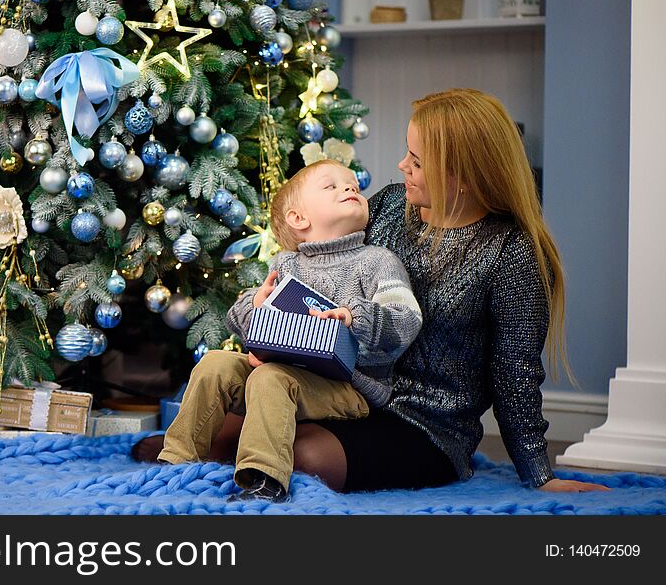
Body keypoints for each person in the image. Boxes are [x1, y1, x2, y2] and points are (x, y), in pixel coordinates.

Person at [135, 88, 608, 495]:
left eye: (417, 161)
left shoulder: (513, 254)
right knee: (223, 426)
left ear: (460, 175)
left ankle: (245, 450)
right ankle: (209, 449)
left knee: (308, 459)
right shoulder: (384, 207)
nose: (401, 165)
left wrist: (539, 473)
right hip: (341, 388)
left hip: (427, 426)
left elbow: (514, 372)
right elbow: (316, 273)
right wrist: (272, 330)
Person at [150, 159, 423, 501]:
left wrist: (355, 317)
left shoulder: (377, 261)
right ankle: (176, 463)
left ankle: (263, 478)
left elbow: (407, 320)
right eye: (332, 186)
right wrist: (257, 307)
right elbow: (239, 320)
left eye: (354, 184)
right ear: (298, 218)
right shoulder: (285, 264)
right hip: (282, 369)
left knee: (271, 378)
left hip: (349, 386)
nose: (350, 188)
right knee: (215, 364)